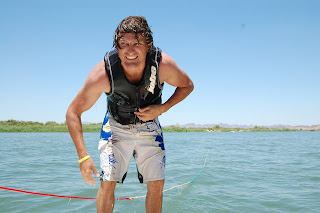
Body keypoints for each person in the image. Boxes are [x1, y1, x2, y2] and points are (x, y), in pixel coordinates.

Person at [66, 16, 194, 213]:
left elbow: (187, 85)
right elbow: (73, 112)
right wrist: (83, 157)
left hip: (150, 127)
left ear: (148, 46)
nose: (130, 50)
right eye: (123, 44)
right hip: (115, 127)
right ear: (116, 47)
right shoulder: (102, 73)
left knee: (157, 184)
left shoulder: (163, 65)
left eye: (137, 43)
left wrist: (163, 107)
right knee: (107, 183)